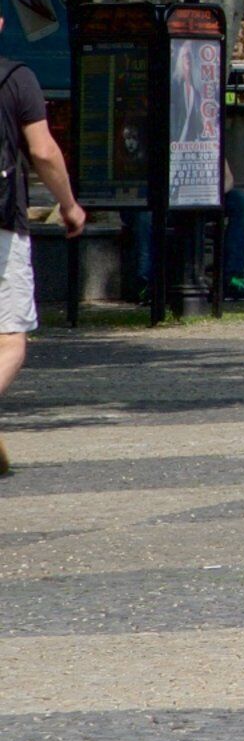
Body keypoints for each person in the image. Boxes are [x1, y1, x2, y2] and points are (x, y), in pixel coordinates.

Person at [1, 48, 89, 474]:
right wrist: (69, 205)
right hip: (1, 226)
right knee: (9, 339)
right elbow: (44, 151)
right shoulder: (17, 79)